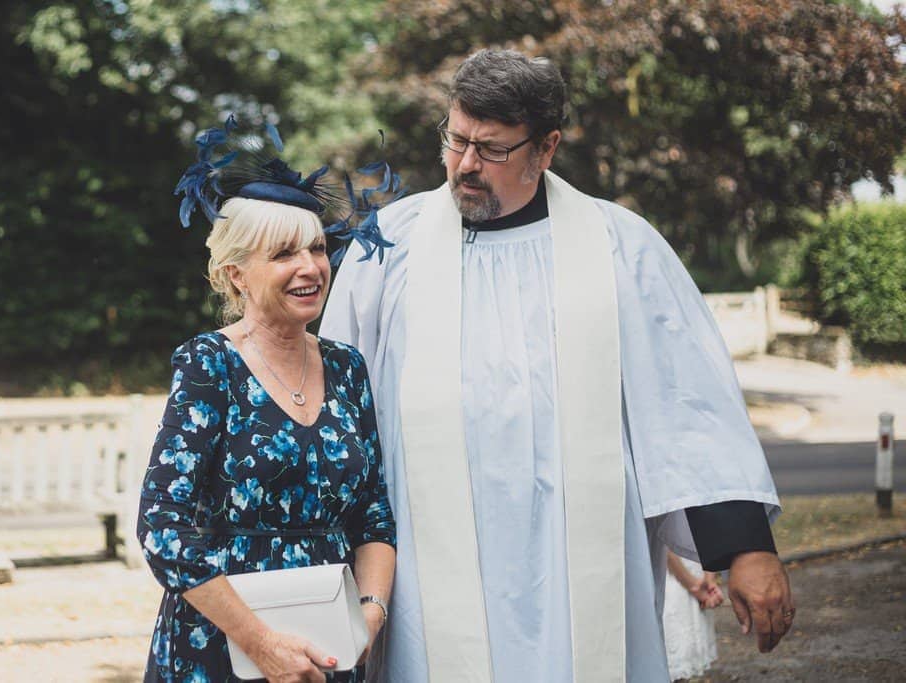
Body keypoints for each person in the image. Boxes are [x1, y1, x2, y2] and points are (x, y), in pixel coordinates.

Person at [320, 48, 795, 682]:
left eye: (492, 150)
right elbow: (335, 411)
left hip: (586, 570)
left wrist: (746, 549)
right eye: (456, 140)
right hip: (428, 576)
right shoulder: (390, 248)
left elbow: (688, 403)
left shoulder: (620, 247)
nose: (464, 165)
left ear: (546, 149)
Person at [137, 125, 396, 682]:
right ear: (237, 275)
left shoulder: (348, 368)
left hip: (329, 652)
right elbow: (163, 527)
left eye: (317, 248)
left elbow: (373, 514)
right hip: (223, 649)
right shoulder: (210, 365)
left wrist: (368, 619)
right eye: (283, 254)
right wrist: (260, 642)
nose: (310, 267)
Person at [663, 549, 722, 680]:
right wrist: (694, 584)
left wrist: (707, 579)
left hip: (695, 578)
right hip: (676, 578)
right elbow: (664, 546)